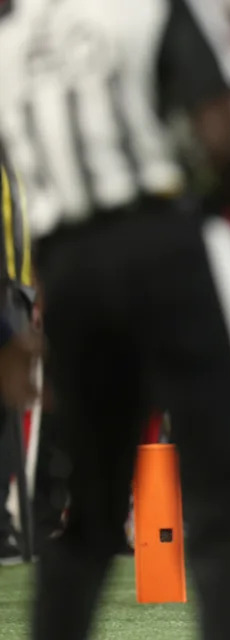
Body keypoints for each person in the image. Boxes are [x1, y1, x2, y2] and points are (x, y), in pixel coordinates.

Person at [0, 1, 230, 638]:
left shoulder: (12, 37)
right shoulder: (152, 10)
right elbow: (228, 138)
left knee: (88, 517)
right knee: (228, 505)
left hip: (66, 269)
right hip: (171, 244)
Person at [0, 144, 40, 566]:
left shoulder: (18, 154)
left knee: (11, 414)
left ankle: (2, 526)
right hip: (5, 295)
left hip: (19, 292)